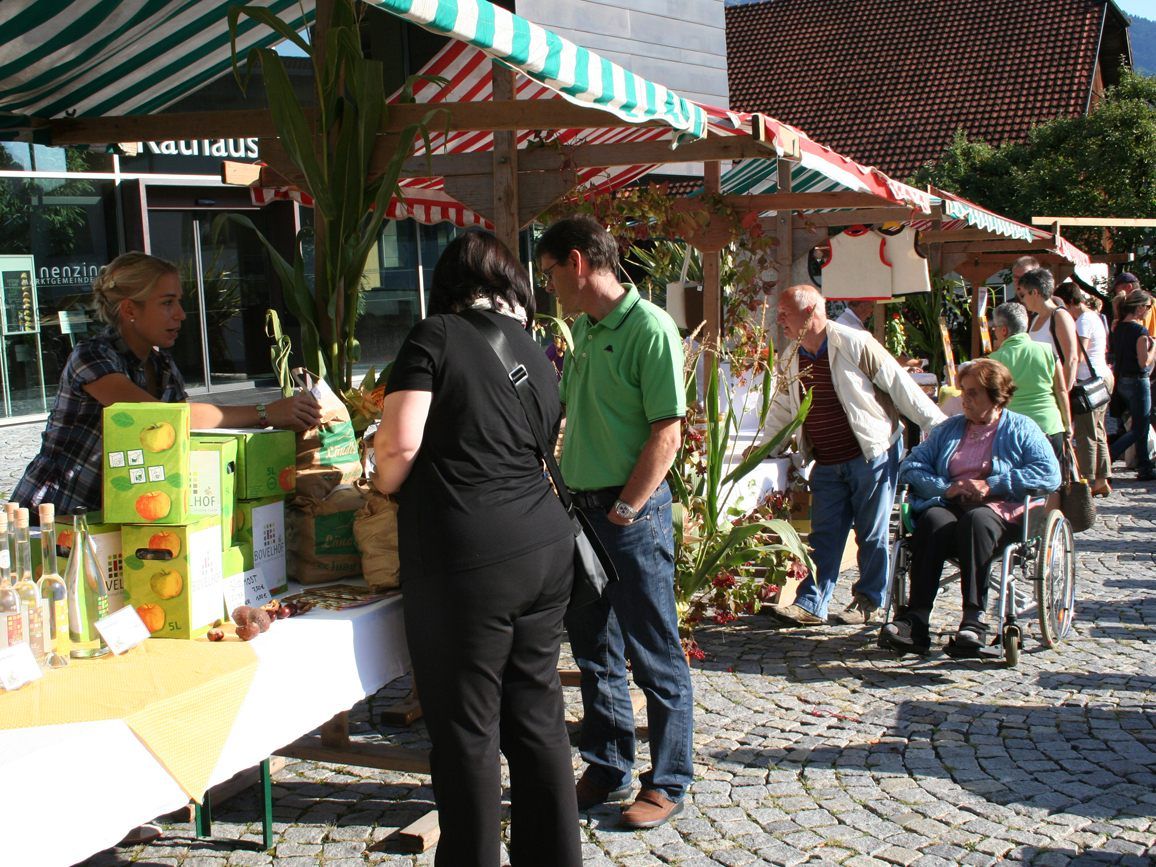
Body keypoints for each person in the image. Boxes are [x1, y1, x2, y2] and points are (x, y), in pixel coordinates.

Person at [373, 231, 581, 866]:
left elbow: (397, 449)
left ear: (448, 283)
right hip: (545, 547)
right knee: (537, 715)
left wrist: (379, 482)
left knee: (467, 731)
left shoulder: (434, 336)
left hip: (468, 556)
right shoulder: (533, 348)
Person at [535, 215, 692, 830]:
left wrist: (626, 508)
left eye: (549, 273)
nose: (548, 286)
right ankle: (607, 766)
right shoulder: (584, 328)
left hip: (630, 513)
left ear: (577, 263)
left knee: (655, 652)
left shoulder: (650, 328)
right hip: (581, 510)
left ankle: (670, 779)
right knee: (595, 646)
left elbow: (668, 432)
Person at [12, 252, 320, 514]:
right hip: (53, 515)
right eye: (167, 303)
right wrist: (266, 412)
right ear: (130, 309)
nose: (181, 315)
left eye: (179, 302)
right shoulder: (92, 356)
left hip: (119, 518)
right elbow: (161, 418)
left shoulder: (163, 367)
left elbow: (186, 431)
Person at [761, 284, 945, 627]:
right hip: (827, 460)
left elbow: (900, 387)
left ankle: (868, 600)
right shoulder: (791, 357)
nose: (779, 319)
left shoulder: (854, 343)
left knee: (871, 533)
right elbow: (782, 411)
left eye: (785, 313)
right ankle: (812, 602)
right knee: (823, 534)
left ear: (811, 312)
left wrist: (941, 428)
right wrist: (762, 450)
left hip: (871, 454)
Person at [880, 359, 1061, 655]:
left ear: (997, 395)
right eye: (963, 391)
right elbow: (911, 466)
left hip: (1000, 514)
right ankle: (916, 620)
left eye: (973, 393)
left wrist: (992, 485)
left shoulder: (1022, 428)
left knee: (977, 520)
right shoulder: (949, 429)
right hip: (952, 505)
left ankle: (973, 621)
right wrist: (946, 487)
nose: (964, 398)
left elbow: (1049, 474)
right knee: (933, 520)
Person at [989, 301, 1069, 462]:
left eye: (995, 328)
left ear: (1004, 330)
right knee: (1053, 482)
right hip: (1050, 425)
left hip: (1013, 430)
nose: (994, 331)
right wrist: (1067, 424)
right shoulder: (1048, 351)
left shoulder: (994, 360)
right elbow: (1061, 390)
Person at [1054, 281, 1113, 496]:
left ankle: (1087, 481)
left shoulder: (1083, 321)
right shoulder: (1094, 316)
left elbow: (1078, 355)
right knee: (1098, 431)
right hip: (1102, 376)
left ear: (1069, 303)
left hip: (1089, 380)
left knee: (1086, 433)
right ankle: (1102, 478)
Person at [1109, 288, 1156, 482]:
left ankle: (1145, 466)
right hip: (1138, 381)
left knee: (1141, 426)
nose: (1148, 311)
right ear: (1139, 307)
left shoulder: (1117, 327)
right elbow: (1143, 362)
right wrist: (1153, 348)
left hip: (1122, 381)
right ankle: (1109, 456)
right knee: (1139, 427)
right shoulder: (1140, 331)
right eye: (1147, 307)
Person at [1017, 266, 1079, 396]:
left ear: (1034, 293)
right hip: (1041, 391)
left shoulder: (1059, 316)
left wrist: (1063, 396)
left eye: (1023, 295)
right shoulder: (1036, 318)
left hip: (1055, 392)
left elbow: (1072, 359)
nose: (1022, 300)